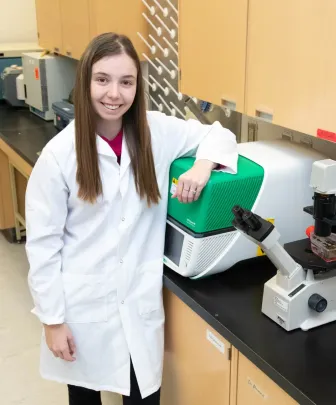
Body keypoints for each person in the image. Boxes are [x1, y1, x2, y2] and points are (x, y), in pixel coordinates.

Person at [25, 32, 238, 405]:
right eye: (103, 80)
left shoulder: (157, 131)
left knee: (143, 397)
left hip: (138, 305)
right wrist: (52, 321)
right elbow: (43, 246)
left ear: (137, 87)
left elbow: (219, 134)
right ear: (85, 80)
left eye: (127, 82)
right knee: (85, 398)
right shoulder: (59, 156)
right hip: (82, 308)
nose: (114, 94)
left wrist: (203, 167)